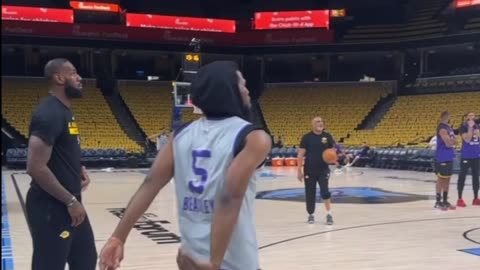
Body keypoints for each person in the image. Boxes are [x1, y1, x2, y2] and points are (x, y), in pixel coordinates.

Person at [98, 61, 271, 270]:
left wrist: (118, 237)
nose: (247, 91)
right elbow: (228, 198)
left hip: (190, 258)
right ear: (229, 90)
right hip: (231, 263)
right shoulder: (254, 138)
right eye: (242, 85)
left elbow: (150, 183)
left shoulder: (180, 135)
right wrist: (214, 263)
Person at [25, 58, 97, 270]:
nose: (79, 78)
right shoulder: (49, 113)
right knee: (49, 265)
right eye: (73, 73)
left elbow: (61, 152)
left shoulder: (65, 111)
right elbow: (35, 166)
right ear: (59, 77)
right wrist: (69, 201)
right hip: (52, 206)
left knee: (85, 260)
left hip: (71, 203)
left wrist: (77, 170)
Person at [297, 117, 335, 225]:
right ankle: (311, 215)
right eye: (318, 122)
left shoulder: (327, 136)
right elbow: (300, 155)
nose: (320, 123)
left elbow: (332, 151)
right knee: (310, 193)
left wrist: (334, 157)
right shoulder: (306, 137)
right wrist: (299, 170)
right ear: (312, 124)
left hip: (323, 169)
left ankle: (329, 214)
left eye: (322, 121)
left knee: (325, 191)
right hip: (309, 170)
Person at [434, 111, 457, 210]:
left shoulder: (449, 127)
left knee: (447, 179)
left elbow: (454, 141)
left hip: (449, 155)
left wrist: (453, 141)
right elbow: (448, 143)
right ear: (445, 117)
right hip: (442, 156)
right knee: (441, 179)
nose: (449, 117)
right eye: (448, 116)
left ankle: (445, 200)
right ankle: (438, 201)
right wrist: (453, 141)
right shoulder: (442, 127)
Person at [456, 112, 480, 207]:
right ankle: (460, 198)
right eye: (469, 116)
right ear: (466, 118)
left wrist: (476, 130)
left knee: (476, 177)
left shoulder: (477, 126)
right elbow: (467, 139)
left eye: (473, 116)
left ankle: (475, 198)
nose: (471, 117)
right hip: (466, 156)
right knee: (462, 176)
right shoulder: (463, 127)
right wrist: (470, 128)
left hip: (476, 156)